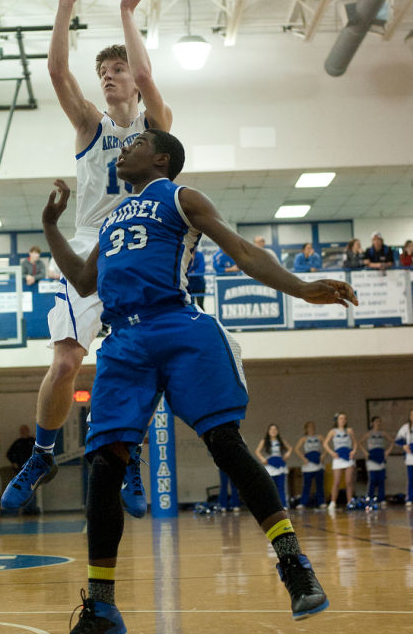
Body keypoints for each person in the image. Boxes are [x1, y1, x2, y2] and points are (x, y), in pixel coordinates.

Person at [41, 129, 358, 630]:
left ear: (162, 158)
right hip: (123, 340)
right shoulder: (111, 219)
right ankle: (101, 606)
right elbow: (83, 281)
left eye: (137, 142)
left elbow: (243, 252)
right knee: (105, 464)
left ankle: (295, 566)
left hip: (179, 326)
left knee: (225, 443)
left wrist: (299, 287)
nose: (125, 148)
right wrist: (50, 227)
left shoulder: (182, 197)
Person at [1, 0, 172, 520]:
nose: (108, 78)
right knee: (68, 359)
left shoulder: (156, 127)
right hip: (89, 247)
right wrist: (63, 3)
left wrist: (127, 11)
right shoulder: (90, 126)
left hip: (141, 250)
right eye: (102, 71)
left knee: (140, 364)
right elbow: (55, 70)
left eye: (116, 69)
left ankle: (132, 456)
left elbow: (147, 71)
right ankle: (43, 456)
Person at [323, 412, 357, 511]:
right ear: (337, 420)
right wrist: (331, 453)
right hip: (338, 458)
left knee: (349, 481)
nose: (342, 420)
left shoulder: (349, 431)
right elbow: (325, 443)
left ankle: (350, 501)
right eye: (340, 418)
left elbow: (355, 443)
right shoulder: (333, 431)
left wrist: (354, 451)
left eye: (344, 418)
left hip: (348, 457)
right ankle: (333, 502)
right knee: (336, 481)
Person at [255, 424, 292, 509]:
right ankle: (271, 505)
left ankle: (283, 505)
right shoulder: (264, 441)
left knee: (281, 486)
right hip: (270, 466)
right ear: (268, 431)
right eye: (271, 429)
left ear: (277, 431)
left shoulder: (281, 440)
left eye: (275, 429)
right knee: (270, 487)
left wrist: (287, 454)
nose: (273, 431)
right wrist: (263, 459)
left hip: (280, 465)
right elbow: (257, 451)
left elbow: (290, 448)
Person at [359, 416, 393, 507]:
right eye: (376, 421)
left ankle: (381, 499)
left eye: (379, 421)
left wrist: (388, 451)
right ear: (372, 423)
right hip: (372, 456)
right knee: (373, 479)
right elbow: (359, 443)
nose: (378, 423)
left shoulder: (383, 433)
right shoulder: (369, 434)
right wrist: (365, 452)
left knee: (381, 479)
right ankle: (370, 497)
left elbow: (392, 441)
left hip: (380, 456)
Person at [6, 425, 40, 515]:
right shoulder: (18, 442)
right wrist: (14, 462)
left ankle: (33, 508)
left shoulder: (32, 441)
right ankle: (26, 509)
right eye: (22, 430)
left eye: (25, 430)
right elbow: (9, 454)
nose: (24, 432)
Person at [294, 422, 326, 509]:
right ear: (306, 428)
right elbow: (296, 449)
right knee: (306, 485)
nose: (311, 428)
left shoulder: (319, 437)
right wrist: (303, 458)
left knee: (319, 484)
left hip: (318, 462)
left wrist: (323, 455)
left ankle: (321, 502)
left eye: (312, 426)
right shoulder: (304, 439)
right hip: (308, 463)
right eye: (309, 427)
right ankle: (303, 502)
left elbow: (326, 446)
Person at [395, 409, 413, 508]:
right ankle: (410, 498)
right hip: (410, 458)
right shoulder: (406, 427)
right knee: (411, 479)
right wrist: (404, 446)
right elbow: (398, 440)